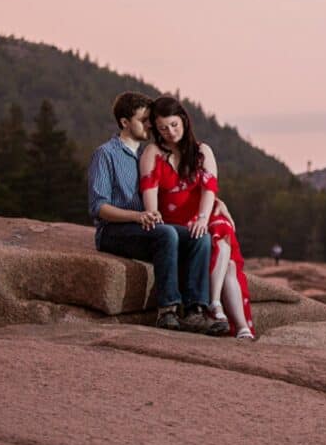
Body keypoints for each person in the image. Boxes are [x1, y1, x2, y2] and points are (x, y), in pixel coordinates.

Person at [87, 91, 228, 335]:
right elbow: (98, 207)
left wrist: (212, 209)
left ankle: (195, 309)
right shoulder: (105, 154)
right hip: (114, 231)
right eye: (144, 120)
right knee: (166, 235)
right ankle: (167, 311)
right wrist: (137, 216)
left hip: (144, 228)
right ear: (125, 123)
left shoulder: (145, 154)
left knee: (199, 237)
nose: (150, 126)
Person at [140, 96, 256, 340]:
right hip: (172, 222)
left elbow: (208, 190)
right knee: (220, 258)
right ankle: (218, 312)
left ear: (183, 120)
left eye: (174, 125)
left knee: (216, 232)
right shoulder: (153, 152)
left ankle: (209, 306)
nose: (170, 133)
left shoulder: (202, 151)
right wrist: (153, 214)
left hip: (198, 217)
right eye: (162, 128)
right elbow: (148, 189)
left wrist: (203, 218)